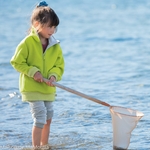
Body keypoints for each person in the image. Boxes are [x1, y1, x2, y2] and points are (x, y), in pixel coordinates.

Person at [10, 1, 65, 149]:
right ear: (36, 24)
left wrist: (54, 76)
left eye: (54, 27)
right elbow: (16, 62)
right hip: (32, 88)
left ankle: (45, 145)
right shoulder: (27, 42)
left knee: (48, 119)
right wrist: (33, 72)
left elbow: (59, 66)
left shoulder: (55, 45)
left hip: (48, 89)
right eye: (49, 26)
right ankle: (36, 147)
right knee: (40, 118)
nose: (52, 30)